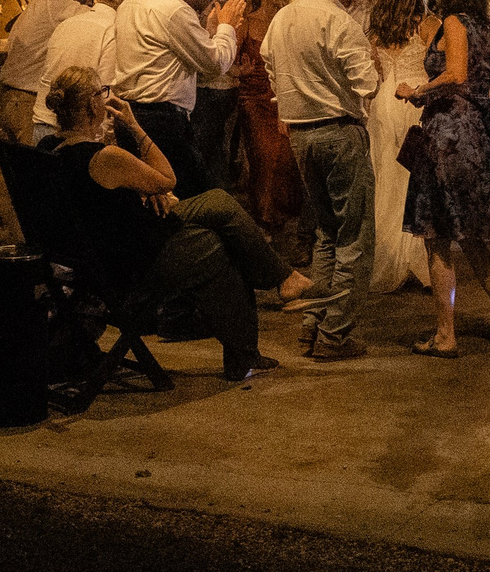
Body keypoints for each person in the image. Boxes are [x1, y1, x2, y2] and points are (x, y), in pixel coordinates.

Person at [44, 65, 319, 382]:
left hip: (97, 253)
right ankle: (250, 341)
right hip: (132, 261)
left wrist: (144, 192)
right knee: (219, 245)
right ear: (94, 104)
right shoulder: (104, 157)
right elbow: (167, 178)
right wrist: (134, 125)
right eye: (103, 92)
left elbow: (101, 198)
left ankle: (281, 279)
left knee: (218, 202)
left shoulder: (47, 149)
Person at [397, 0, 490, 353]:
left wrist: (417, 89)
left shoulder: (453, 22)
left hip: (447, 137)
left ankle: (445, 335)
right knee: (469, 235)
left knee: (436, 237)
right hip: (477, 136)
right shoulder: (489, 32)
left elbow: (454, 74)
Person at [264, 0, 382, 361]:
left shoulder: (283, 17)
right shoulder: (338, 21)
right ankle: (335, 334)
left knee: (325, 234)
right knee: (354, 235)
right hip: (338, 130)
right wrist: (376, 72)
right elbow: (367, 84)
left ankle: (311, 326)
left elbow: (269, 66)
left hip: (300, 134)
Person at [113, 0, 238, 194]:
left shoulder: (129, 3)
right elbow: (214, 64)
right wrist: (227, 27)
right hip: (161, 123)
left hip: (129, 116)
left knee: (146, 199)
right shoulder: (172, 9)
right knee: (183, 198)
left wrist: (206, 32)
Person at [364, 0, 439, 293]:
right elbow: (440, 66)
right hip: (413, 99)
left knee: (387, 178)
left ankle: (388, 254)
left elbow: (374, 68)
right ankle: (418, 259)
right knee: (416, 180)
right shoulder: (429, 24)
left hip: (384, 104)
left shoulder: (378, 27)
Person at [232, 0, 305, 231]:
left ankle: (283, 212)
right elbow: (226, 63)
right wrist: (241, 70)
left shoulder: (287, 21)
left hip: (282, 97)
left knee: (286, 155)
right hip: (253, 98)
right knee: (264, 155)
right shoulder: (246, 23)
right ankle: (264, 215)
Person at [0, 0, 90, 146]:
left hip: (10, 97)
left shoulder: (35, 5)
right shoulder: (56, 4)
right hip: (25, 101)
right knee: (34, 167)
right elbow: (95, 18)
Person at [179, 0, 243, 192]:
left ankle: (214, 188)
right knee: (206, 143)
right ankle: (207, 189)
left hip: (216, 88)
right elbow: (211, 60)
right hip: (204, 87)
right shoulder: (187, 14)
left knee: (215, 144)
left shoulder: (211, 9)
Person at [44, 0, 134, 92]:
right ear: (128, 2)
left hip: (44, 108)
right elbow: (105, 89)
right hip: (80, 110)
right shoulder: (113, 31)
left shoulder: (66, 24)